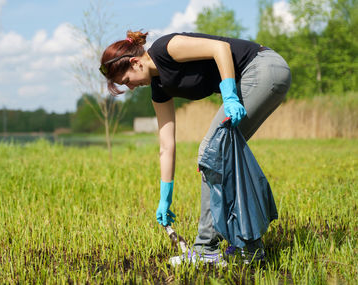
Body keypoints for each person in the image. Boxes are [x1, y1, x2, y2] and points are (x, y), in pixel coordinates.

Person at [99, 30, 291, 265]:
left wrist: (229, 96)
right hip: (260, 75)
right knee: (221, 154)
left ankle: (206, 248)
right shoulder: (159, 88)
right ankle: (247, 246)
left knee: (212, 151)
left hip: (263, 68)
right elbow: (166, 144)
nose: (130, 88)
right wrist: (165, 198)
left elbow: (220, 48)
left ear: (135, 62)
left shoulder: (166, 47)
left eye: (127, 81)